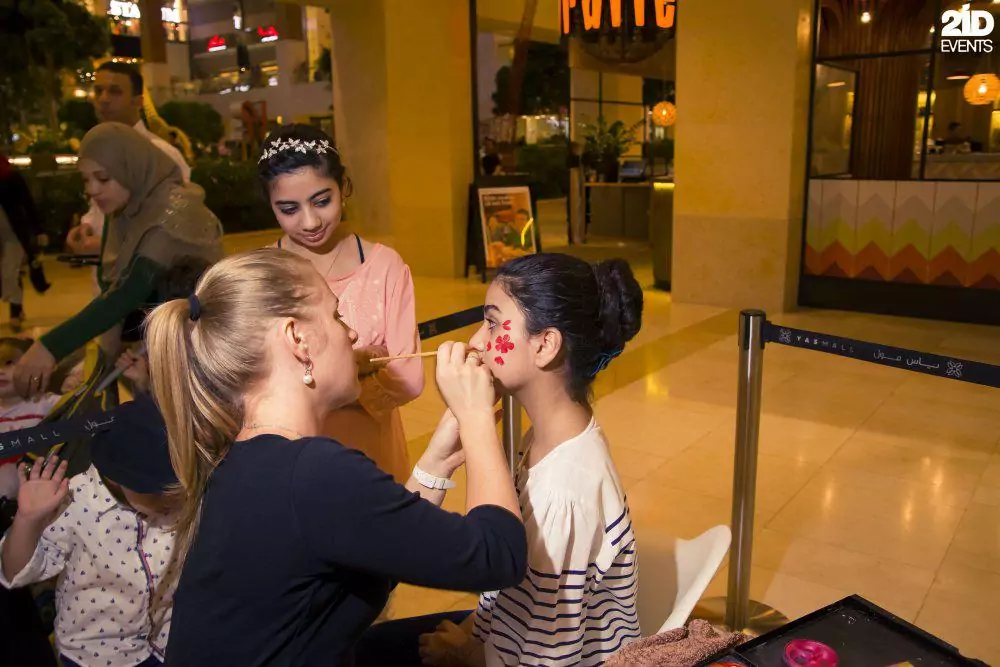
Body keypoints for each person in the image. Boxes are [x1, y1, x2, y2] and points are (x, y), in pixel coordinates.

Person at [144, 249, 526, 665]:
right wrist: (476, 419)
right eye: (337, 315)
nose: (352, 335)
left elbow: (380, 545)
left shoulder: (245, 458)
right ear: (298, 339)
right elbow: (499, 555)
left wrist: (436, 463)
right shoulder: (314, 473)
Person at [354, 253, 644, 667]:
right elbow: (517, 595)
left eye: (492, 323)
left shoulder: (564, 493)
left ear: (545, 345)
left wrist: (467, 656)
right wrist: (473, 633)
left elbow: (547, 654)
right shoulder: (546, 439)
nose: (475, 342)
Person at [12, 123, 223, 400]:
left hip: (196, 355)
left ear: (131, 168)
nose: (92, 190)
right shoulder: (128, 211)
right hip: (155, 349)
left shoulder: (173, 210)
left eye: (103, 178)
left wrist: (50, 347)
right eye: (86, 180)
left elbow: (128, 291)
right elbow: (115, 279)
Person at [260, 124, 421, 483]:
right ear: (270, 205)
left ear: (343, 187)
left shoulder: (385, 267)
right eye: (289, 209)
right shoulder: (261, 274)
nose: (310, 221)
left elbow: (409, 378)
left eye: (322, 201)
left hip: (370, 453)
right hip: (291, 455)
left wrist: (311, 378)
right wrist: (359, 365)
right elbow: (252, 381)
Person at [0, 394, 179, 667]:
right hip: (98, 655)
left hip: (166, 643)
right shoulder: (75, 500)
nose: (177, 499)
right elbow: (15, 573)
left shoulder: (182, 493)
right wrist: (27, 520)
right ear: (117, 478)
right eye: (161, 492)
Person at [68, 61, 191, 272]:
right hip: (108, 279)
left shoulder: (161, 154)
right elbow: (99, 210)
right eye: (98, 91)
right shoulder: (99, 149)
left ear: (138, 101)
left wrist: (108, 246)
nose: (104, 99)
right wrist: (86, 227)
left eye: (115, 92)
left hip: (149, 281)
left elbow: (175, 226)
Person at [0, 155, 49, 331]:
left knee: (10, 272)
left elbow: (28, 203)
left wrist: (38, 230)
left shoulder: (11, 177)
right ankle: (18, 308)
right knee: (5, 274)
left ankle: (14, 312)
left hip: (13, 233)